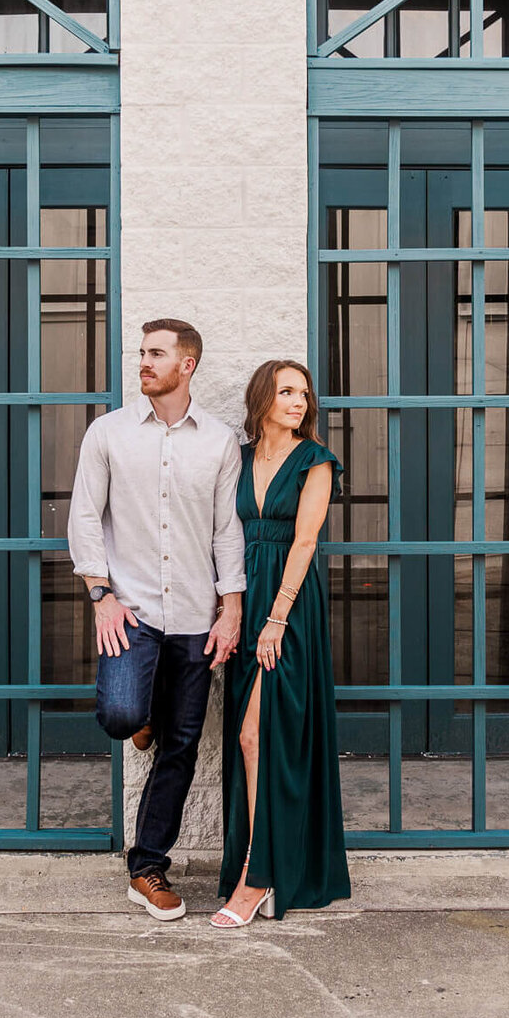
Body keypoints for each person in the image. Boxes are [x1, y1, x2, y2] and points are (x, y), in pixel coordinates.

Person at [67, 318, 245, 921]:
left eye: (156, 354)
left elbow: (227, 531)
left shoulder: (219, 442)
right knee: (121, 716)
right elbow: (85, 517)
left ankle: (147, 867)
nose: (143, 363)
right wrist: (100, 593)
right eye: (141, 352)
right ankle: (141, 714)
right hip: (132, 610)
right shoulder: (109, 433)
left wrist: (232, 609)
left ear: (186, 364)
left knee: (183, 746)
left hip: (196, 615)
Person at [212, 359, 351, 927]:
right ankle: (263, 861)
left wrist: (276, 618)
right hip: (245, 598)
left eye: (304, 392)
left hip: (289, 605)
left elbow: (306, 539)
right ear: (262, 397)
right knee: (248, 735)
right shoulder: (239, 459)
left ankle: (258, 873)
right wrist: (233, 608)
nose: (299, 401)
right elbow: (224, 534)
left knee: (258, 733)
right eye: (286, 390)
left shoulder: (316, 460)